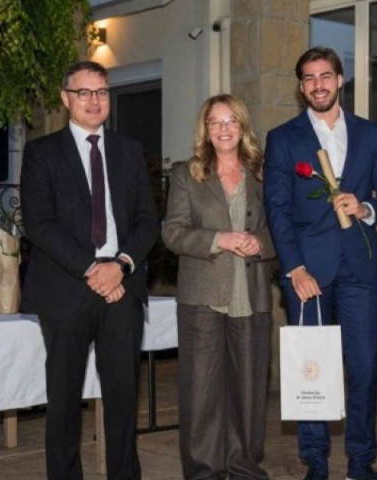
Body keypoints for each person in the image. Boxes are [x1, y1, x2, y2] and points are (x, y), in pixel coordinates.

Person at [264, 46, 377, 480]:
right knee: (312, 369)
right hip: (308, 273)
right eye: (308, 78)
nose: (318, 84)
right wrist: (295, 269)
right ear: (301, 86)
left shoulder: (369, 134)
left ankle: (361, 463)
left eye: (325, 75)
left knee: (363, 370)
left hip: (359, 269)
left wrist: (365, 207)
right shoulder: (284, 139)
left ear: (340, 80)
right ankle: (316, 464)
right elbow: (278, 211)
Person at [20, 60, 159, 480]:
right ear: (66, 99)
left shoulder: (129, 150)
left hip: (122, 289)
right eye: (84, 93)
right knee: (64, 402)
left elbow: (148, 221)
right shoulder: (42, 152)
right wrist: (92, 269)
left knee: (122, 399)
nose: (95, 101)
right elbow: (39, 224)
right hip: (66, 291)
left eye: (101, 91)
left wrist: (119, 266)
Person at [161, 94, 276, 480]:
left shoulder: (264, 174)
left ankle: (243, 468)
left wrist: (261, 242)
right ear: (205, 130)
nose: (223, 129)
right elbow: (173, 233)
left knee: (249, 392)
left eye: (231, 121)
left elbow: (283, 229)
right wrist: (220, 240)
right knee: (201, 393)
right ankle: (204, 471)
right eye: (215, 122)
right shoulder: (186, 175)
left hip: (252, 294)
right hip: (202, 297)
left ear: (243, 127)